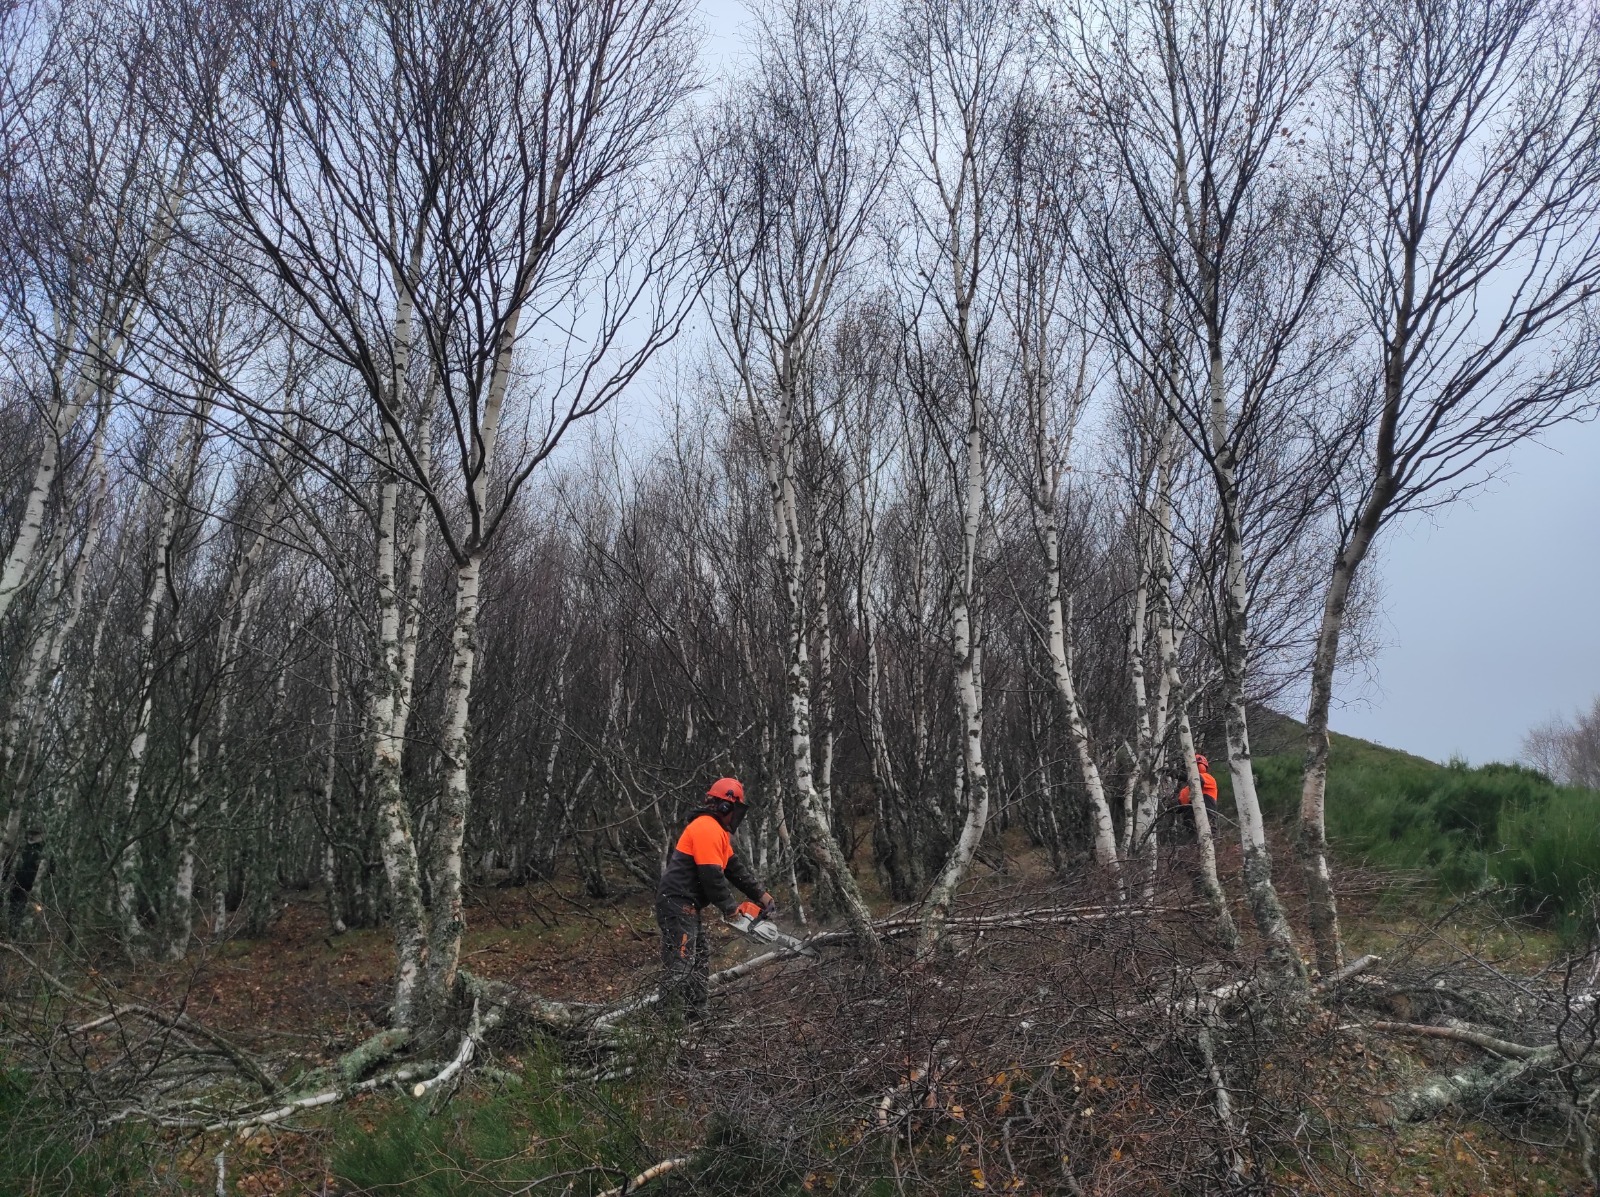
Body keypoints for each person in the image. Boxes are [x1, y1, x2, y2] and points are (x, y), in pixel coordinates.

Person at [655, 777, 774, 1017]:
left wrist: (761, 895)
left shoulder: (717, 832)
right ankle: (666, 1025)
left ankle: (696, 1017)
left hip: (687, 904)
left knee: (698, 960)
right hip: (677, 902)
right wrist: (730, 909)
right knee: (681, 965)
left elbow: (734, 869)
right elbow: (711, 875)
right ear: (725, 806)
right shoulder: (705, 827)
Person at [1175, 752, 1220, 834]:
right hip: (1191, 828)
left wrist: (1175, 773)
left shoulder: (1208, 778)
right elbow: (1177, 807)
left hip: (1207, 820)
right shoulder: (1185, 790)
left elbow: (1198, 780)